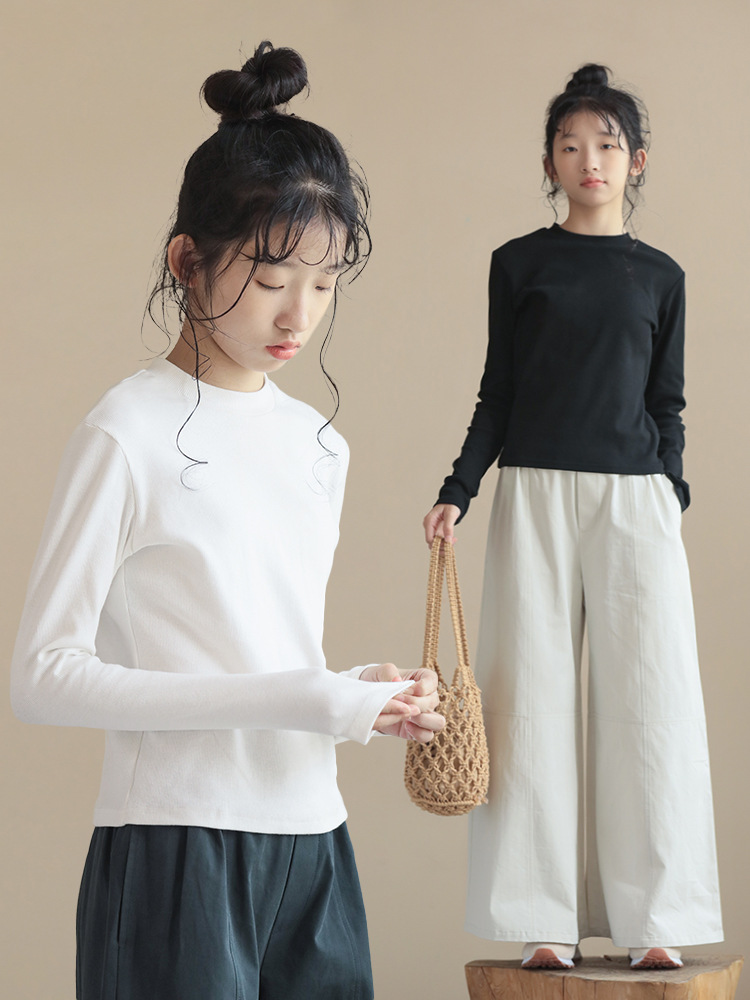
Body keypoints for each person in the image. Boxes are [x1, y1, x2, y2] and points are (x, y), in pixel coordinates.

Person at [11, 41, 443, 1000]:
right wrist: (301, 697)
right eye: (271, 279)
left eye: (324, 285)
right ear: (187, 260)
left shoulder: (319, 445)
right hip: (176, 845)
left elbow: (256, 644)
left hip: (315, 841)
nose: (298, 317)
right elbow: (41, 678)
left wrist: (351, 692)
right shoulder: (126, 432)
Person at [423, 64, 722, 971]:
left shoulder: (661, 276)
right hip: (534, 494)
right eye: (570, 144)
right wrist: (458, 487)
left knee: (652, 703)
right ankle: (540, 917)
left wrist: (671, 490)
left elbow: (668, 403)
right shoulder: (519, 264)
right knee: (529, 700)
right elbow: (499, 391)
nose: (589, 159)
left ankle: (655, 919)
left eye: (607, 144)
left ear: (637, 161)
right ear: (549, 161)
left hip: (636, 502)